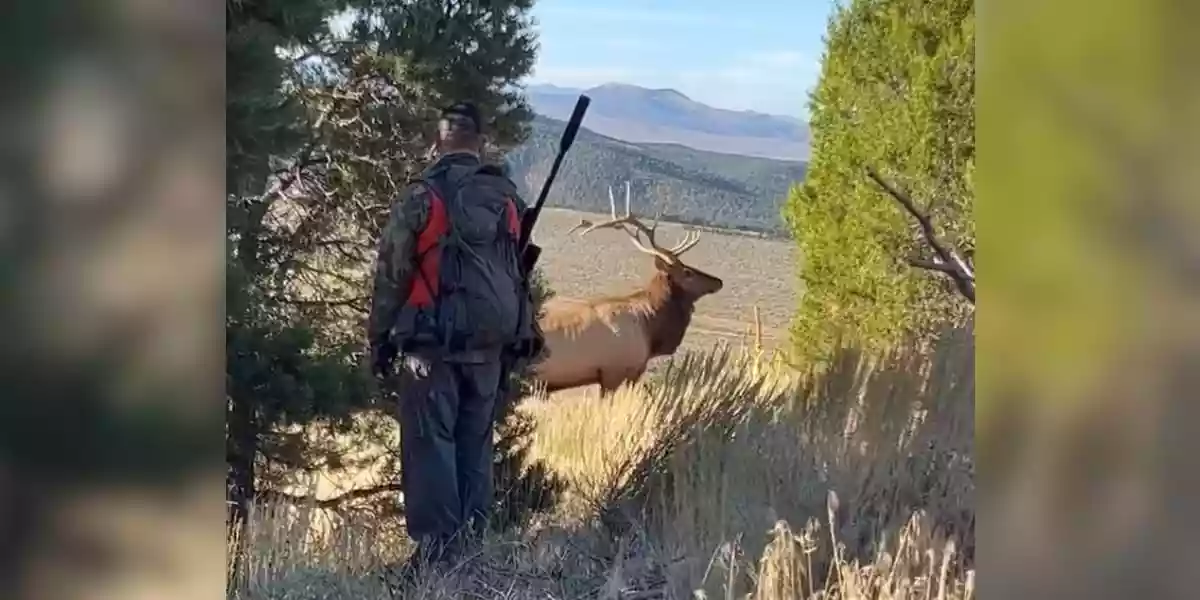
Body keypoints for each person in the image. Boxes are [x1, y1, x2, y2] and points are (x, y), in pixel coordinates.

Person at [367, 102, 540, 574]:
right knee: (474, 445)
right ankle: (473, 552)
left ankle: (437, 558)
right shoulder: (506, 200)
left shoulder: (422, 197)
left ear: (437, 142)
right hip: (488, 350)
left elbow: (391, 276)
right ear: (480, 143)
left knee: (430, 446)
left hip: (429, 349)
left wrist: (378, 339)